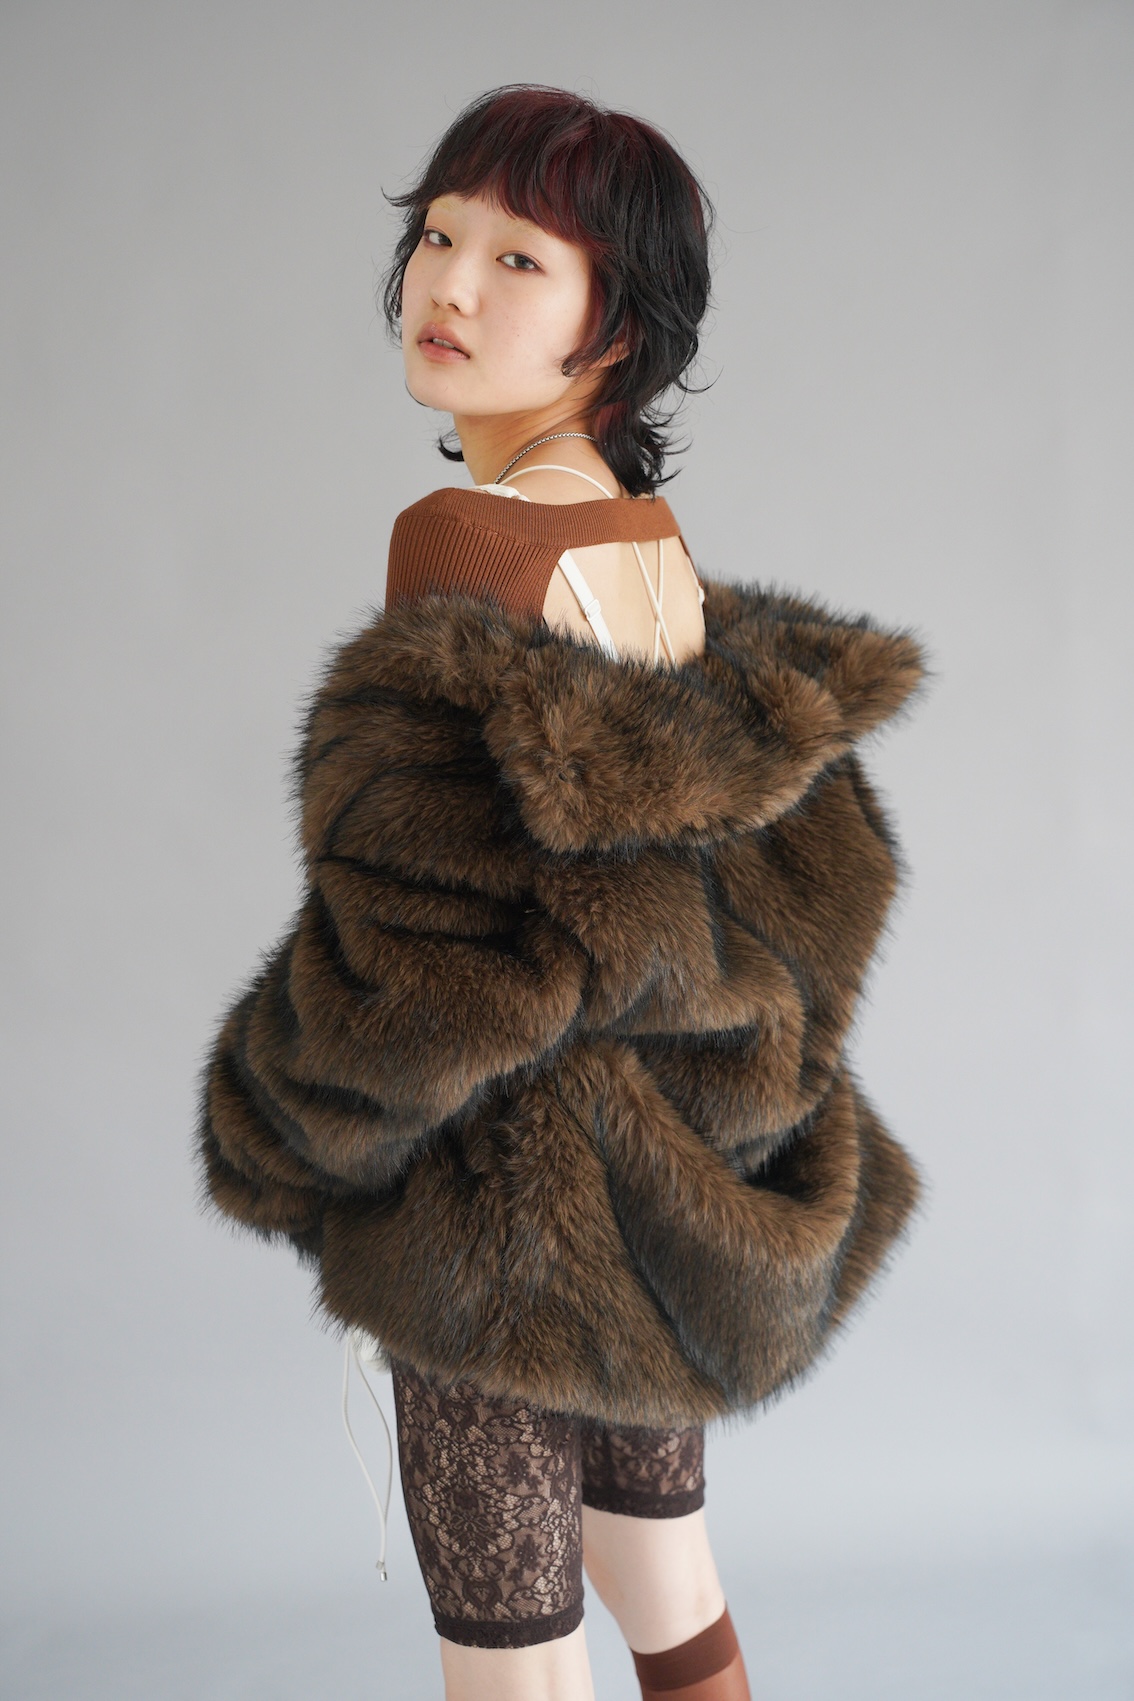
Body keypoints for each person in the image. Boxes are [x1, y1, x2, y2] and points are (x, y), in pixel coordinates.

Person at [198, 85, 926, 1701]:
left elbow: (429, 951)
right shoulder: (639, 530)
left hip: (504, 1201)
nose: (448, 285)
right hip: (665, 1170)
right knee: (674, 1602)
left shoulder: (465, 541)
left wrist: (282, 1128)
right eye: (436, 236)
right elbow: (723, 889)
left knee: (511, 1654)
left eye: (520, 259)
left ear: (619, 325)